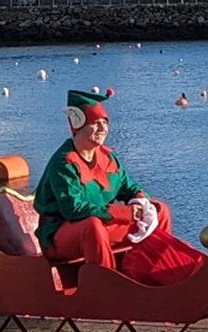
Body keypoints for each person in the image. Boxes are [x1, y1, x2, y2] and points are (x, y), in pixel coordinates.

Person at [34, 89, 167, 270]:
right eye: (96, 123)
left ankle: (154, 269)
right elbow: (72, 209)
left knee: (160, 210)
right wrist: (123, 213)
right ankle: (105, 284)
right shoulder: (64, 163)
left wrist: (142, 202)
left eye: (105, 122)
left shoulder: (108, 157)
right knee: (92, 226)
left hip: (103, 222)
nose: (103, 128)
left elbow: (129, 186)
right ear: (78, 126)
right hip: (60, 233)